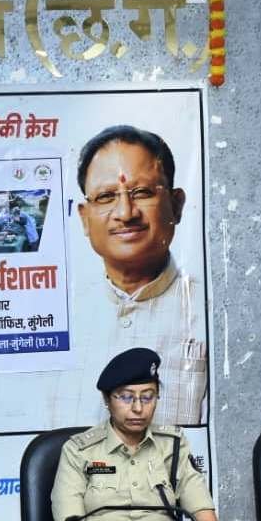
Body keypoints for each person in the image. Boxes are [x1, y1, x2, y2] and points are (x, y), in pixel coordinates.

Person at [77, 125, 207, 427]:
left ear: (176, 205)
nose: (126, 213)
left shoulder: (210, 311)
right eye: (106, 196)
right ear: (85, 218)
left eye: (142, 193)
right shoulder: (60, 319)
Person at [50, 348, 217, 521]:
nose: (138, 408)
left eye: (147, 397)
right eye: (126, 398)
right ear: (107, 399)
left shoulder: (172, 445)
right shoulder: (79, 451)